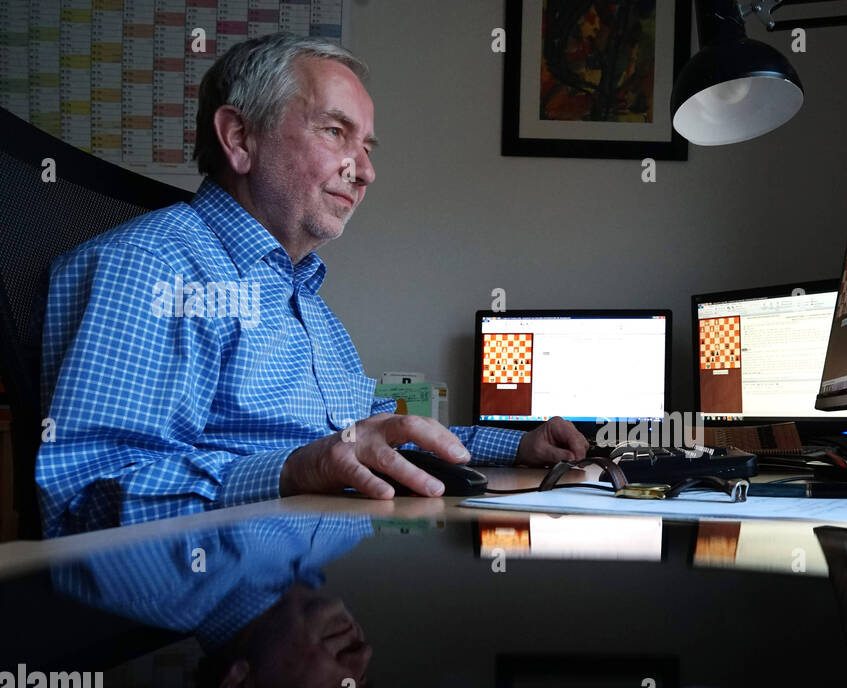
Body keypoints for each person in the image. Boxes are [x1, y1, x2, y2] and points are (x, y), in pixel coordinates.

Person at [36, 33, 587, 538]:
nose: (365, 171)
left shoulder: (300, 293)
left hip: (304, 578)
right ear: (239, 137)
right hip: (201, 620)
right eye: (335, 131)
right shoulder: (157, 267)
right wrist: (298, 468)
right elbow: (83, 499)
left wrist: (517, 443)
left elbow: (367, 421)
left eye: (368, 146)